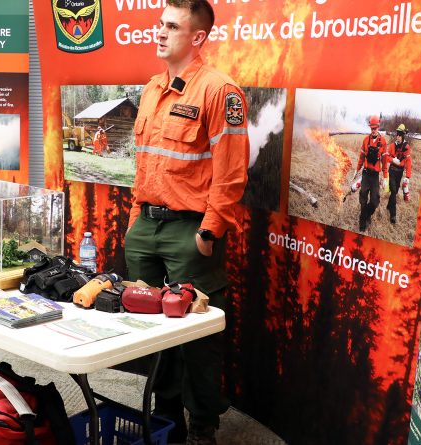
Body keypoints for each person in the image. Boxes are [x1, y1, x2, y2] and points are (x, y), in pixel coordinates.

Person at [124, 1, 249, 444]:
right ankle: (166, 416)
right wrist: (135, 221)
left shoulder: (219, 91)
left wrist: (208, 232)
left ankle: (201, 426)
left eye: (172, 26)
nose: (159, 33)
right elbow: (146, 166)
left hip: (189, 231)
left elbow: (231, 172)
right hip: (146, 229)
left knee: (197, 335)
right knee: (151, 328)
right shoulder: (152, 88)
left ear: (197, 37)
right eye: (159, 24)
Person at [355, 116, 389, 231]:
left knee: (375, 201)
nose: (373, 130)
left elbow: (384, 162)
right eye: (371, 128)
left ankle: (366, 215)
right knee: (363, 197)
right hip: (366, 174)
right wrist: (357, 169)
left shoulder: (383, 142)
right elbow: (361, 157)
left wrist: (385, 177)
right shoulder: (365, 140)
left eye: (375, 128)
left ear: (378, 127)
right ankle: (362, 221)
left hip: (375, 176)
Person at [385, 124, 412, 224]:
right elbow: (386, 158)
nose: (398, 136)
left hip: (399, 173)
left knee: (395, 192)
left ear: (403, 135)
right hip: (392, 171)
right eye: (397, 134)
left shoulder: (406, 147)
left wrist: (408, 176)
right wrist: (393, 160)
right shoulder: (392, 146)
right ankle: (393, 215)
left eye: (400, 135)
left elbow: (408, 162)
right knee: (393, 190)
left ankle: (388, 205)